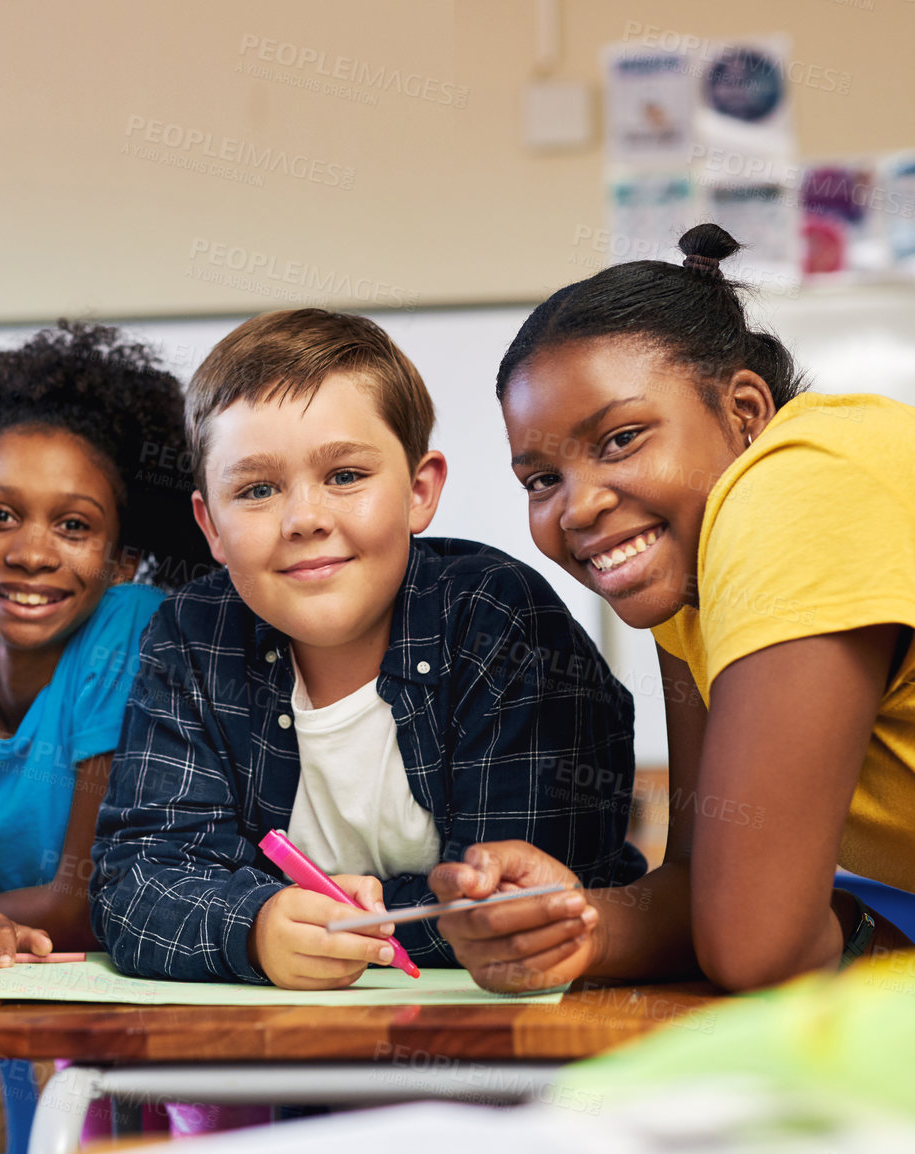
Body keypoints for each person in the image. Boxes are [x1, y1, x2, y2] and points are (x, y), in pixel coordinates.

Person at [435, 223, 915, 993]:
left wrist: (872, 947)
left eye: (620, 439)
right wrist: (569, 924)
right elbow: (704, 884)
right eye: (541, 480)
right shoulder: (694, 583)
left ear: (744, 410)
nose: (577, 508)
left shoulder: (797, 491)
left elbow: (753, 943)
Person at [90, 308, 645, 989]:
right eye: (257, 490)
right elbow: (135, 881)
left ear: (419, 491)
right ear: (210, 525)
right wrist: (257, 927)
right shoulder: (191, 634)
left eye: (346, 476)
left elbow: (525, 900)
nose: (305, 519)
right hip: (288, 1046)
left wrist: (332, 922)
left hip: (523, 1042)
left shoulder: (498, 619)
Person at [0, 321, 212, 968]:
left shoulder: (130, 631)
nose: (33, 553)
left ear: (122, 563)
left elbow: (81, 901)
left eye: (73, 525)